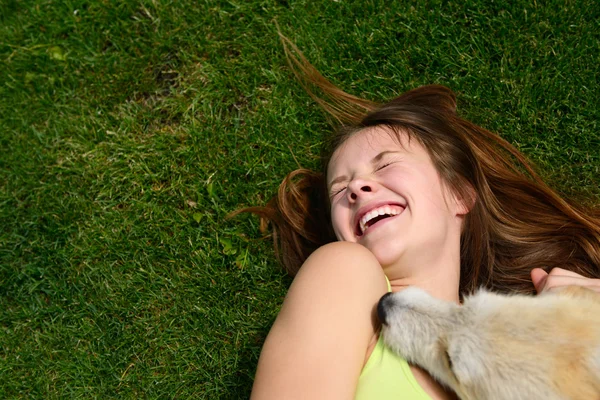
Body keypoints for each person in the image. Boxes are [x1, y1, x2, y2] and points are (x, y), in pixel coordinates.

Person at [245, 36, 600, 399]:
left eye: (385, 164)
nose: (357, 188)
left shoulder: (524, 351)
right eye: (340, 190)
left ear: (459, 194)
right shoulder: (345, 270)